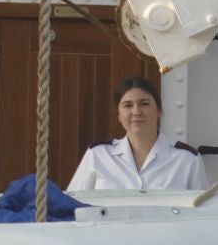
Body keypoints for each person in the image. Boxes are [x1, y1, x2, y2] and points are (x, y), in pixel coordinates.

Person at [67, 77, 207, 192]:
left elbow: (202, 215)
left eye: (144, 104)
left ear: (159, 111)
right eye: (127, 105)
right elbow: (72, 207)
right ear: (119, 116)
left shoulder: (187, 160)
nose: (136, 112)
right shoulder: (97, 155)